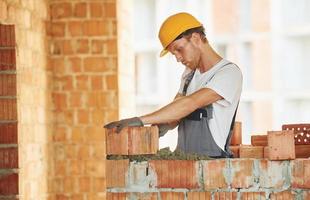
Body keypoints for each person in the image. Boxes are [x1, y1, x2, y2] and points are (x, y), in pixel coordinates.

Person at [104, 12, 242, 158]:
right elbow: (177, 110)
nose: (178, 58)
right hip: (184, 162)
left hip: (212, 167)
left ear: (195, 38)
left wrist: (140, 120)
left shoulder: (228, 73)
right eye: (173, 53)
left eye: (179, 49)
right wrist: (159, 127)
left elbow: (189, 103)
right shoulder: (189, 74)